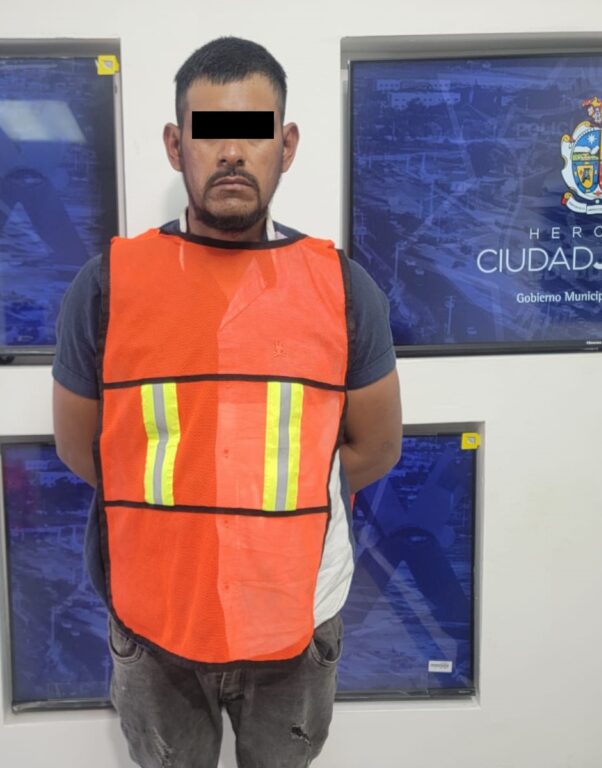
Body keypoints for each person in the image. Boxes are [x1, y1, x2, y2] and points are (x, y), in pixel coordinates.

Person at [52, 36, 402, 768]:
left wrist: (274, 521)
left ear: (288, 145)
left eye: (255, 133)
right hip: (154, 622)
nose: (233, 153)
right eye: (211, 133)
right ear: (175, 145)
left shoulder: (341, 287)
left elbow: (374, 448)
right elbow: (82, 448)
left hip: (298, 615)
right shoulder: (108, 284)